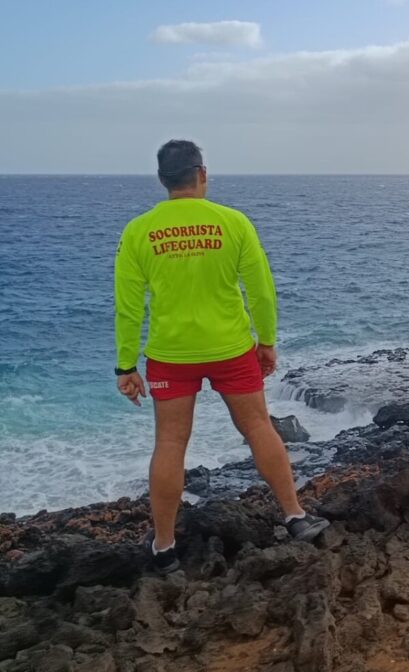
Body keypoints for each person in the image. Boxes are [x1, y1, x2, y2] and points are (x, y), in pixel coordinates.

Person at [114, 140, 328, 575]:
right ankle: (296, 517)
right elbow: (261, 290)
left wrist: (126, 365)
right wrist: (266, 342)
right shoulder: (233, 223)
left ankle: (165, 548)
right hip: (231, 348)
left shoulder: (139, 230)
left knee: (171, 443)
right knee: (257, 426)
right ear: (202, 174)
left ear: (162, 181)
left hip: (171, 356)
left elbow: (128, 305)